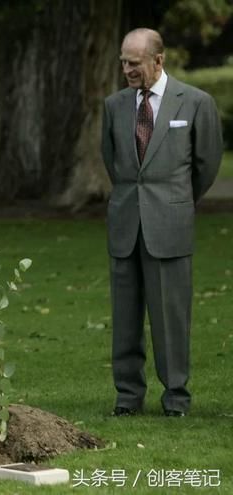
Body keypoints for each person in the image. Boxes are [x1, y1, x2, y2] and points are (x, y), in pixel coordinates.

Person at [101, 28, 222, 417]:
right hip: (124, 225)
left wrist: (175, 202)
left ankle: (176, 398)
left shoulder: (197, 103)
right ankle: (128, 397)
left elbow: (206, 165)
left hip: (169, 225)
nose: (126, 69)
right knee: (125, 317)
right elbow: (113, 161)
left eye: (133, 63)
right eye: (123, 61)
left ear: (159, 60)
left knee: (170, 317)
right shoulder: (113, 106)